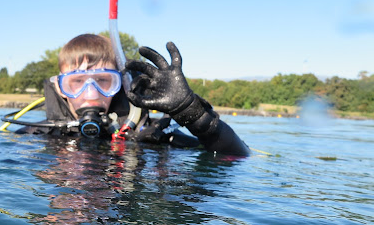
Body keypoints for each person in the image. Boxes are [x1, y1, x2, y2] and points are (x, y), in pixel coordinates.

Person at [14, 34, 250, 156]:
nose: (90, 93)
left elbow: (234, 157)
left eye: (103, 81)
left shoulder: (149, 135)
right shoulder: (36, 135)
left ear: (120, 85)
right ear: (60, 89)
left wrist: (193, 115)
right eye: (76, 83)